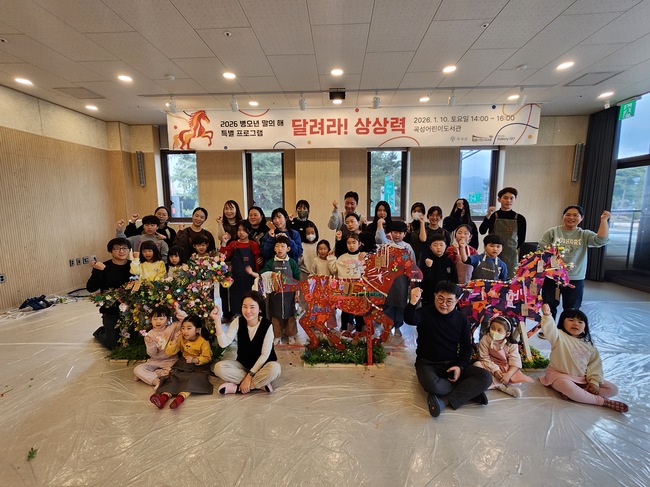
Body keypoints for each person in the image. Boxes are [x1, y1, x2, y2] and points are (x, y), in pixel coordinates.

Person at [404, 281, 492, 418]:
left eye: (449, 301)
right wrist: (412, 303)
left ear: (456, 301)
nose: (444, 304)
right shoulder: (424, 313)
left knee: (485, 377)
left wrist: (459, 366)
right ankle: (468, 392)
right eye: (440, 298)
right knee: (433, 386)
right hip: (428, 364)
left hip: (452, 363)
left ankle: (444, 401)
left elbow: (466, 348)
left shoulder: (461, 319)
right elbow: (409, 319)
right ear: (435, 296)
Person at [538, 304, 628, 413]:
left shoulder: (589, 344)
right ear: (562, 322)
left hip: (581, 378)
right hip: (558, 375)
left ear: (585, 326)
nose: (576, 324)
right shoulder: (558, 336)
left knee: (613, 389)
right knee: (566, 386)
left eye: (580, 322)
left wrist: (594, 382)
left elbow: (594, 365)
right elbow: (550, 329)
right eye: (571, 320)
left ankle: (579, 395)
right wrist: (547, 315)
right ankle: (601, 401)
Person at [538, 206, 611, 318]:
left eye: (575, 215)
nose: (571, 217)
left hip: (575, 278)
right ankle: (549, 327)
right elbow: (541, 250)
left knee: (572, 309)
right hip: (553, 278)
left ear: (581, 218)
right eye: (568, 214)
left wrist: (604, 220)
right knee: (549, 307)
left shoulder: (584, 234)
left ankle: (566, 328)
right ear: (563, 216)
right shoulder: (553, 232)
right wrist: (558, 265)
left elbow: (601, 240)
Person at [212, 291, 281, 394]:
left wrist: (250, 375)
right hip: (243, 365)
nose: (248, 311)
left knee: (275, 369)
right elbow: (223, 343)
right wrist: (217, 321)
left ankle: (237, 388)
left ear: (260, 309)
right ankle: (259, 383)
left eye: (252, 307)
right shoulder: (238, 321)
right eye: (245, 306)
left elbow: (264, 355)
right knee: (218, 368)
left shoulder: (267, 325)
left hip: (263, 365)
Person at [149, 314, 213, 409]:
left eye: (189, 328)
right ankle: (163, 397)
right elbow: (169, 352)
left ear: (197, 330)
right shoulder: (181, 338)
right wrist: (175, 340)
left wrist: (194, 360)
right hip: (184, 364)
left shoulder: (203, 341)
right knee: (174, 377)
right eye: (183, 328)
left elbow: (207, 357)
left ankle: (179, 399)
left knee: (192, 379)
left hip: (199, 365)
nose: (185, 331)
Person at [247, 235, 301, 345]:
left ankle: (291, 335)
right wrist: (252, 273)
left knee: (290, 314)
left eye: (282, 246)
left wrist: (297, 292)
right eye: (277, 246)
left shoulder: (292, 263)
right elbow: (262, 275)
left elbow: (297, 278)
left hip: (289, 295)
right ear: (274, 248)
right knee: (275, 315)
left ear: (288, 249)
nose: (280, 249)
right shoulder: (271, 262)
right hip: (275, 296)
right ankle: (277, 335)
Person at [86, 238, 134, 349]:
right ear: (110, 251)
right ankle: (101, 332)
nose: (121, 251)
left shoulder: (134, 266)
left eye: (124, 248)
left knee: (133, 340)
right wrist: (97, 271)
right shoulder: (103, 266)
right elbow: (90, 288)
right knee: (114, 345)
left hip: (131, 309)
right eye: (117, 249)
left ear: (129, 250)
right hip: (111, 310)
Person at [473, 315, 532, 398]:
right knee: (477, 365)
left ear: (507, 334)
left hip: (505, 367)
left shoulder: (512, 345)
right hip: (489, 365)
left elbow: (515, 362)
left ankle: (494, 383)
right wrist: (495, 370)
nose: (495, 332)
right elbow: (484, 358)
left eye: (499, 330)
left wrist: (508, 374)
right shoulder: (485, 339)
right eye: (492, 328)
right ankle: (503, 387)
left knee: (518, 381)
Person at [375, 220, 416, 336]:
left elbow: (412, 262)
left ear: (405, 234)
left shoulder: (407, 247)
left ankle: (398, 326)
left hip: (402, 279)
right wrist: (379, 224)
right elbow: (379, 239)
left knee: (400, 303)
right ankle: (387, 326)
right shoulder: (386, 244)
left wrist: (412, 278)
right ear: (390, 232)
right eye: (395, 232)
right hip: (387, 278)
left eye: (400, 233)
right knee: (387, 303)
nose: (397, 235)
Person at [479, 187, 526, 279]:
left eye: (511, 198)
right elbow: (482, 231)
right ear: (499, 199)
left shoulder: (520, 218)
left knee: (509, 279)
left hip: (510, 255)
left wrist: (511, 249)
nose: (508, 201)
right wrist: (488, 215)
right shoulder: (493, 216)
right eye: (505, 198)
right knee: (490, 278)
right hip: (492, 254)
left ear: (515, 200)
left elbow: (521, 239)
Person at [220, 221, 262, 320]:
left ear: (249, 231)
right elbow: (223, 256)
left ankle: (251, 314)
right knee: (235, 296)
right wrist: (224, 243)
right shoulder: (233, 244)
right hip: (236, 277)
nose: (241, 232)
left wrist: (258, 274)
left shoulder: (253, 244)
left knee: (250, 296)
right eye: (239, 230)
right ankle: (236, 314)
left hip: (250, 278)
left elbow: (257, 260)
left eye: (244, 230)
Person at [133, 306, 181, 389]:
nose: (158, 321)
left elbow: (186, 321)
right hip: (154, 361)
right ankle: (156, 381)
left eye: (161, 319)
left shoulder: (173, 327)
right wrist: (150, 343)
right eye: (155, 319)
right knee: (137, 369)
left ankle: (148, 375)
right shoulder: (150, 334)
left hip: (170, 361)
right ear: (151, 320)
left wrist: (178, 310)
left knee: (175, 372)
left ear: (168, 319)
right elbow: (152, 353)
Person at [336, 234, 367, 333]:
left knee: (359, 310)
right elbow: (335, 270)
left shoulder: (363, 257)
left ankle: (359, 331)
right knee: (345, 309)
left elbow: (367, 271)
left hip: (360, 288)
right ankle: (344, 328)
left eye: (354, 242)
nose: (351, 245)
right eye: (349, 243)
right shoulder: (342, 258)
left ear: (359, 243)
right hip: (347, 287)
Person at [418, 234, 458, 304]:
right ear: (430, 247)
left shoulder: (449, 261)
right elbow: (422, 280)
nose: (438, 247)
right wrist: (427, 267)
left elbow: (454, 279)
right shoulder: (426, 260)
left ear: (445, 246)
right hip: (429, 295)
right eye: (435, 245)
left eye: (441, 245)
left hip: (446, 295)